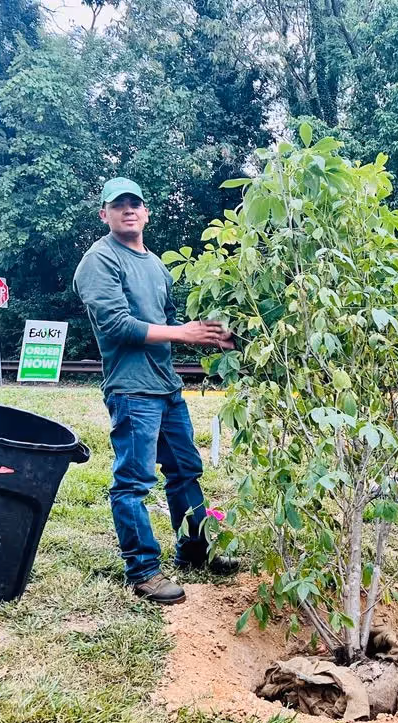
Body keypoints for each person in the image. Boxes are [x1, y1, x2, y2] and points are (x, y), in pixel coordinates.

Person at [74, 177, 237, 605]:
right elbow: (117, 325)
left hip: (166, 387)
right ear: (104, 214)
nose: (129, 210)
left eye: (136, 203)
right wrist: (184, 334)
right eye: (118, 204)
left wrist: (217, 335)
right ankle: (143, 569)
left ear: (146, 212)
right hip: (131, 390)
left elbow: (170, 319)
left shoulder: (156, 265)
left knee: (186, 470)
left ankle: (195, 550)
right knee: (133, 481)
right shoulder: (99, 260)